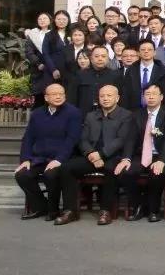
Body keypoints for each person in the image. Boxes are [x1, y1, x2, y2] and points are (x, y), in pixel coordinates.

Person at [54, 84, 133, 226]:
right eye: (102, 96)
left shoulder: (126, 115)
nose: (105, 98)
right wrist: (91, 153)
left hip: (112, 156)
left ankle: (105, 211)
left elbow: (121, 140)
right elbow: (82, 139)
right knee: (67, 168)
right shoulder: (91, 116)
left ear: (117, 98)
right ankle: (70, 210)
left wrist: (101, 154)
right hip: (91, 156)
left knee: (112, 169)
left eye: (109, 95)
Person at [15, 83, 82, 221]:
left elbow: (72, 139)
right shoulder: (37, 114)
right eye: (54, 94)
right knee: (22, 175)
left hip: (62, 158)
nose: (58, 96)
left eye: (61, 94)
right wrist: (26, 159)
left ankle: (53, 210)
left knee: (50, 174)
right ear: (46, 97)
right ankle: (41, 206)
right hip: (39, 158)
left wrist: (59, 159)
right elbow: (28, 138)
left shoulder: (73, 112)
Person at [120, 84, 165, 223]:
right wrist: (126, 158)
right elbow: (131, 139)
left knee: (156, 173)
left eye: (154, 94)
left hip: (161, 155)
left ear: (161, 97)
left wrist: (162, 160)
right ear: (143, 97)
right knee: (126, 172)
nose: (151, 97)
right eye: (147, 94)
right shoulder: (136, 114)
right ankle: (138, 206)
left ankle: (154, 210)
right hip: (141, 155)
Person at [123, 39, 165, 111]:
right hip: (134, 111)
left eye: (149, 49)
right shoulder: (131, 70)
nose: (146, 51)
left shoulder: (163, 71)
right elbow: (126, 94)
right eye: (143, 49)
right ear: (138, 53)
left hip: (157, 111)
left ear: (154, 52)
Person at [73, 46, 123, 115]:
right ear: (91, 59)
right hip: (84, 115)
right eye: (96, 56)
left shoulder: (115, 76)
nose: (100, 59)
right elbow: (73, 98)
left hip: (109, 116)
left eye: (103, 56)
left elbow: (120, 99)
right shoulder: (80, 75)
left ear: (108, 59)